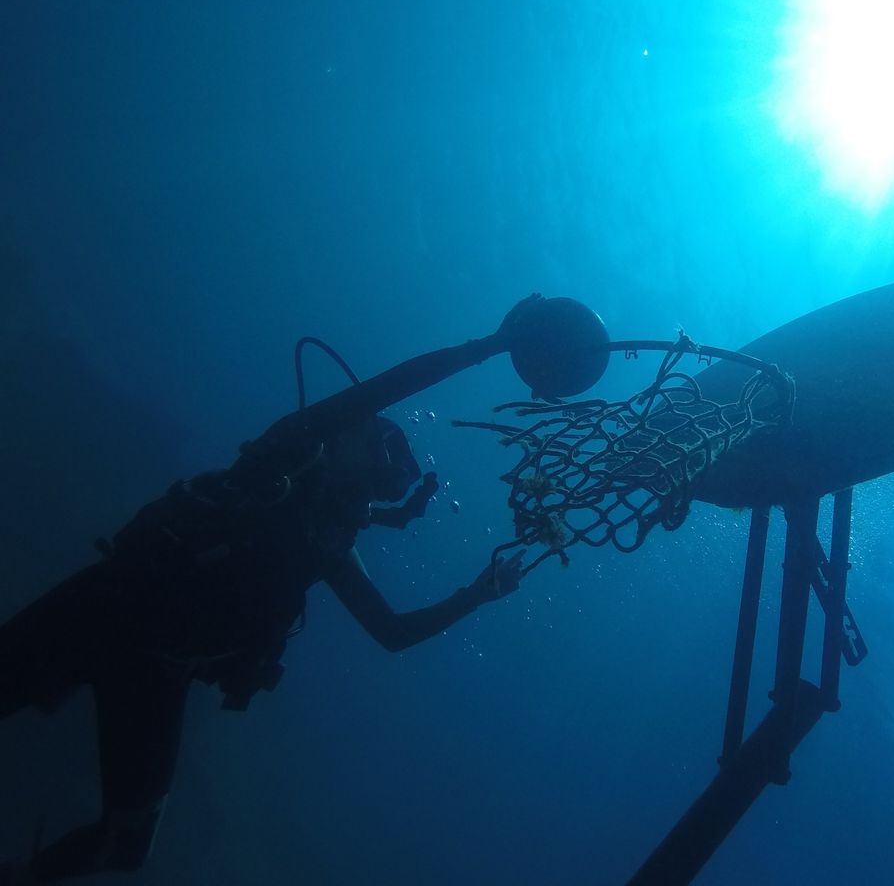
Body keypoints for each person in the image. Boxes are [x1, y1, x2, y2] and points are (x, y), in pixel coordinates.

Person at [0, 303, 543, 884]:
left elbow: (392, 633)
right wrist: (488, 344)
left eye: (395, 460)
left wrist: (475, 595)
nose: (387, 457)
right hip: (107, 608)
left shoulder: (329, 545)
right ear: (338, 437)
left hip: (161, 670)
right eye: (379, 439)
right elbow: (384, 389)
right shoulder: (285, 450)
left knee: (126, 844)